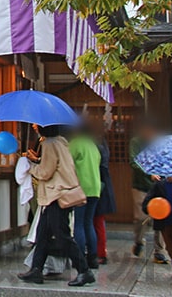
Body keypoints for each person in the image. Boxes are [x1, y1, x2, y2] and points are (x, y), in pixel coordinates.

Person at [18, 125, 95, 287]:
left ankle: (84, 270)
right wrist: (37, 161)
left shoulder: (49, 144)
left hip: (56, 196)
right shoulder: (61, 142)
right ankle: (36, 269)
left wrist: (30, 167)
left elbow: (46, 172)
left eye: (36, 126)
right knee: (43, 235)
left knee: (62, 235)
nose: (35, 128)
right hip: (58, 194)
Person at [130, 119, 168, 264]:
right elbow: (133, 162)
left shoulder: (160, 144)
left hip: (158, 186)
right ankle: (138, 241)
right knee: (141, 218)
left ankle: (159, 251)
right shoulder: (136, 142)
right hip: (140, 185)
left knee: (160, 218)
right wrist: (148, 173)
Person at [68, 123, 102, 269]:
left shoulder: (75, 144)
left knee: (79, 223)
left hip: (82, 187)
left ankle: (80, 257)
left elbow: (67, 163)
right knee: (89, 222)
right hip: (95, 188)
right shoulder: (93, 146)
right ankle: (93, 257)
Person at [92, 122, 116, 265]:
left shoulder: (96, 148)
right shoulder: (103, 146)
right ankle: (101, 251)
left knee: (96, 221)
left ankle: (100, 252)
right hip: (102, 186)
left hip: (97, 186)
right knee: (98, 222)